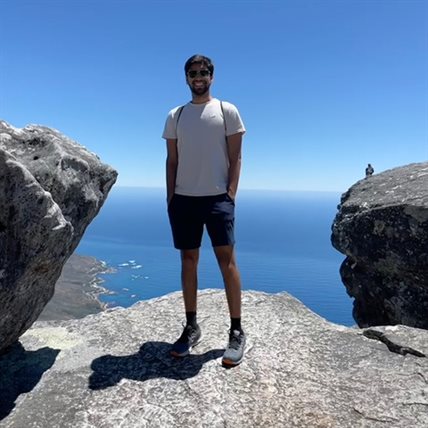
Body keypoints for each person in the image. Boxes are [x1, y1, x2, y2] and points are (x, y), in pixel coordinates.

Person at [162, 54, 246, 367]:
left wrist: (231, 194)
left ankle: (236, 331)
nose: (198, 77)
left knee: (228, 263)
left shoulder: (227, 111)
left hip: (217, 199)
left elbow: (236, 157)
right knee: (188, 260)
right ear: (186, 77)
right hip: (183, 199)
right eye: (192, 73)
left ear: (212, 75)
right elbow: (172, 160)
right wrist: (170, 197)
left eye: (203, 72)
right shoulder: (176, 115)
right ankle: (191, 327)